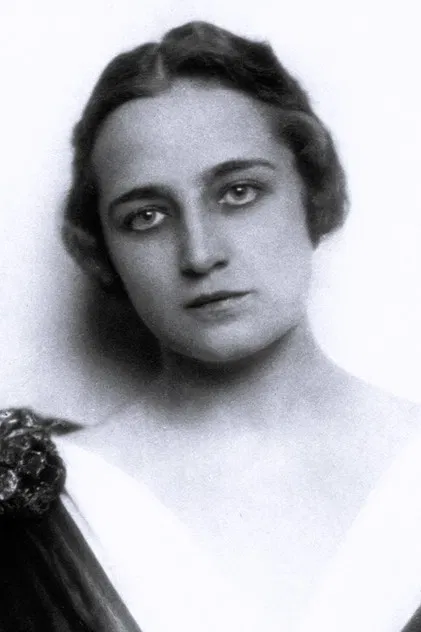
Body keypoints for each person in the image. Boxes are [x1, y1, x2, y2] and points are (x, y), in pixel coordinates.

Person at [1, 20, 421, 632]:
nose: (200, 254)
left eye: (239, 192)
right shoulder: (39, 508)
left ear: (313, 193)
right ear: (102, 250)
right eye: (146, 217)